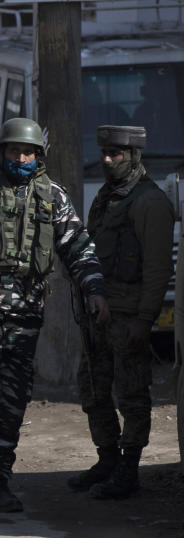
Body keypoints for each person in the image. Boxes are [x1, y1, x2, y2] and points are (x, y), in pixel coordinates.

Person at [0, 118, 109, 512]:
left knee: (14, 396)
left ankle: (0, 480)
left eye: (27, 152)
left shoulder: (52, 196)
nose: (20, 158)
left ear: (38, 156)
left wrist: (93, 288)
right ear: (1, 151)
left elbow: (77, 245)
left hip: (26, 308)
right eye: (13, 151)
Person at [69, 125, 173, 500]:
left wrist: (145, 320)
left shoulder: (150, 202)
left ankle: (129, 470)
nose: (109, 160)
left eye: (117, 154)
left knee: (131, 395)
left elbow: (160, 269)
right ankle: (107, 458)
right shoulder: (106, 197)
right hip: (100, 315)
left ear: (134, 156)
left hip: (129, 318)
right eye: (106, 154)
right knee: (93, 390)